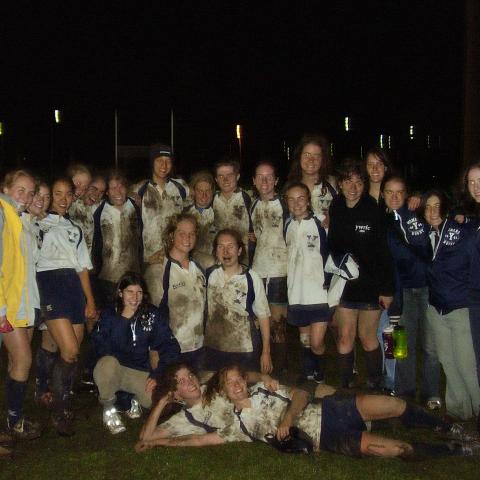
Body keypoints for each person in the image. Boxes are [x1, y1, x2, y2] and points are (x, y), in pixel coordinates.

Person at [204, 365, 479, 459]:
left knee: (393, 405)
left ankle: (446, 427)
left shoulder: (266, 389)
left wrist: (287, 419)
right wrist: (157, 438)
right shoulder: (238, 425)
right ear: (224, 392)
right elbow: (196, 441)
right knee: (398, 450)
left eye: (238, 379)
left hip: (333, 412)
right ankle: (456, 451)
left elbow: (301, 393)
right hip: (329, 440)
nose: (237, 385)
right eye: (229, 383)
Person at [36, 177, 98, 436]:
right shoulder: (38, 223)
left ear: (73, 196)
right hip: (51, 284)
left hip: (73, 288)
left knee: (60, 347)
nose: (62, 199)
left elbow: (82, 267)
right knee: (70, 349)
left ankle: (49, 390)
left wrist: (89, 300)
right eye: (56, 193)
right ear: (49, 196)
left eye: (67, 194)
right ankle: (59, 410)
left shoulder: (75, 229)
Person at [328, 158, 395, 389]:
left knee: (367, 337)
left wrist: (387, 290)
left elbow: (384, 253)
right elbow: (333, 245)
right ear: (340, 184)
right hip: (345, 284)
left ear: (364, 185)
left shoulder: (373, 210)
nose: (353, 187)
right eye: (348, 182)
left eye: (358, 182)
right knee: (345, 337)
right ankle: (344, 384)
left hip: (371, 286)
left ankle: (375, 382)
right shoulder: (335, 206)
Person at [92, 272, 180, 434]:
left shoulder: (152, 315)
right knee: (106, 365)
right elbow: (99, 345)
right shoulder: (109, 314)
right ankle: (109, 408)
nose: (135, 297)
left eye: (139, 292)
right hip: (115, 368)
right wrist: (124, 321)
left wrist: (157, 374)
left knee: (159, 401)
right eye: (129, 292)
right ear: (120, 293)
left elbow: (170, 346)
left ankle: (133, 399)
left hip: (141, 371)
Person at [381, 175, 441, 407]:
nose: (394, 197)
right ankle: (404, 389)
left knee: (430, 344)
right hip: (401, 291)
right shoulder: (383, 221)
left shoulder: (418, 211)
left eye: (399, 192)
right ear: (383, 194)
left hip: (427, 287)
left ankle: (431, 392)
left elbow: (441, 208)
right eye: (389, 192)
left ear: (407, 194)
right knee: (402, 344)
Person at [420, 190, 480, 420]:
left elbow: (475, 229)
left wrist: (465, 217)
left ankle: (478, 412)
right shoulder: (426, 236)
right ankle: (458, 411)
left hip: (461, 307)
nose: (433, 211)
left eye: (437, 206)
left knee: (467, 365)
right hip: (437, 308)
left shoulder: (462, 231)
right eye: (428, 207)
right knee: (447, 361)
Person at [135, 362, 277, 451]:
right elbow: (145, 437)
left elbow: (239, 375)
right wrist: (161, 402)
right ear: (176, 395)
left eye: (190, 376)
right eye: (182, 381)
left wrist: (262, 377)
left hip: (267, 406)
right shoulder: (186, 418)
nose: (190, 382)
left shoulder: (211, 383)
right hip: (256, 428)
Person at [0, 169, 42, 440]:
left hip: (18, 305)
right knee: (24, 359)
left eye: (30, 191)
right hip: (6, 308)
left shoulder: (17, 217)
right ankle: (14, 421)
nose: (25, 196)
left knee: (16, 362)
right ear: (6, 188)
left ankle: (9, 421)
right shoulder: (3, 214)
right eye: (20, 190)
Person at [204, 229, 272, 373]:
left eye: (231, 246)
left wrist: (266, 352)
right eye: (221, 246)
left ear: (240, 250)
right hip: (214, 347)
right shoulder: (209, 275)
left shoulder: (252, 278)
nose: (226, 252)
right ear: (216, 251)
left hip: (244, 349)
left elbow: (264, 316)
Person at [145, 213, 206, 369]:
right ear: (171, 235)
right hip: (171, 350)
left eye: (192, 233)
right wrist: (154, 355)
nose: (187, 238)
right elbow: (151, 318)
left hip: (198, 347)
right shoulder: (158, 270)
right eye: (182, 233)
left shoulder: (199, 267)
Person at [284, 182, 330, 382]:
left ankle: (321, 369)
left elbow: (330, 253)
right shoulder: (287, 224)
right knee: (304, 339)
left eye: (301, 198)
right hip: (296, 292)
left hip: (318, 292)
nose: (297, 203)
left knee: (317, 341)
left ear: (308, 200)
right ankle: (310, 373)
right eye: (292, 200)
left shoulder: (321, 223)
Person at [250, 161, 289, 374]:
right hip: (258, 270)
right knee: (259, 320)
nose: (264, 181)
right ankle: (263, 368)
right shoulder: (253, 205)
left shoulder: (285, 204)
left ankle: (281, 372)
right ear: (254, 181)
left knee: (277, 324)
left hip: (279, 272)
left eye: (269, 176)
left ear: (276, 180)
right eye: (260, 177)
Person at [131, 143, 189, 268]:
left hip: (176, 255)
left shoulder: (181, 188)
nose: (164, 165)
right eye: (159, 161)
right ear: (152, 162)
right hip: (150, 258)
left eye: (168, 161)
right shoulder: (139, 189)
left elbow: (200, 199)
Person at [92, 170, 142, 308]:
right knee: (110, 317)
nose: (118, 191)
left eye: (121, 186)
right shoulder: (98, 211)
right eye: (113, 188)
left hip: (133, 276)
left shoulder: (136, 207)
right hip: (107, 278)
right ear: (107, 192)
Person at [287, 133, 337, 225]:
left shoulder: (335, 185)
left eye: (317, 155)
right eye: (306, 154)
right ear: (299, 156)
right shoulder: (290, 188)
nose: (311, 160)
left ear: (323, 159)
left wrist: (334, 217)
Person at [212, 157, 253, 265]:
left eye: (229, 175)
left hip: (243, 259)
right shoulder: (212, 199)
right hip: (219, 259)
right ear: (216, 179)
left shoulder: (247, 198)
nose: (225, 180)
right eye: (221, 176)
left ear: (237, 176)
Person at [183, 171, 216, 270]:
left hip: (214, 261)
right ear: (193, 192)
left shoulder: (218, 211)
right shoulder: (185, 213)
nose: (204, 195)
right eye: (200, 191)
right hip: (189, 260)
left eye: (208, 191)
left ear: (213, 191)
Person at [69, 174, 106, 254]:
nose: (97, 195)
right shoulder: (69, 204)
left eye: (101, 192)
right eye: (93, 189)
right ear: (85, 187)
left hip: (85, 263)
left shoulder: (95, 208)